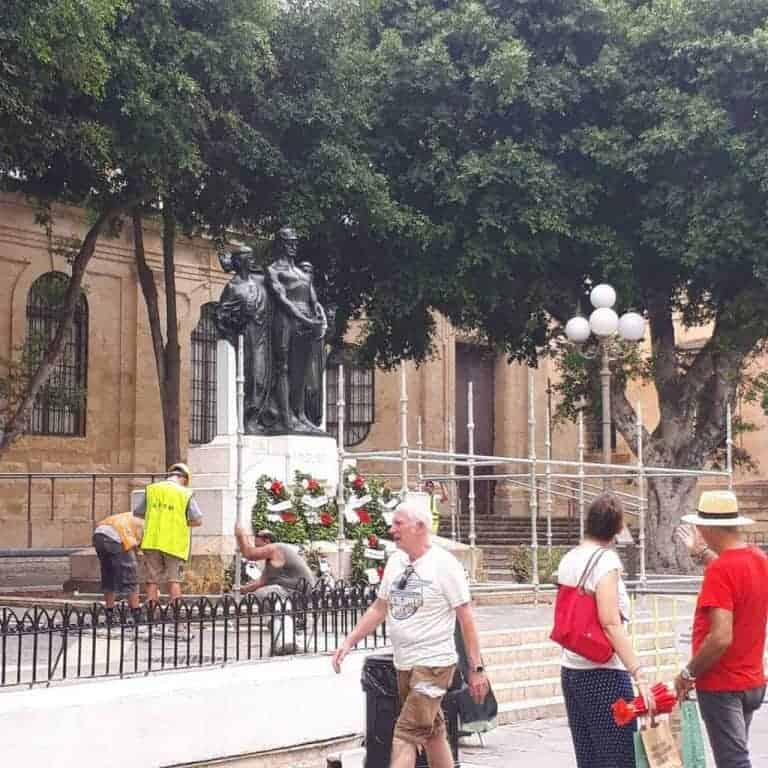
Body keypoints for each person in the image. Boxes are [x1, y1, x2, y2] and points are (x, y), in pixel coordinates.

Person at [332, 504, 489, 768]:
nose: (391, 529)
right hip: (404, 663)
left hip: (434, 664)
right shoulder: (396, 561)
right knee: (432, 732)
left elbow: (466, 618)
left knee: (405, 735)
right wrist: (350, 641)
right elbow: (379, 607)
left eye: (398, 523)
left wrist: (477, 669)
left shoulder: (444, 565)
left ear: (420, 527)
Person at [555, 493, 655, 768]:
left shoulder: (570, 558)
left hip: (572, 669)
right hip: (604, 673)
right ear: (617, 528)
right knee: (620, 758)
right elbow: (610, 622)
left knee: (589, 758)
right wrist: (638, 672)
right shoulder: (606, 562)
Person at [674, 490, 768, 768]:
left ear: (709, 528)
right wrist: (703, 554)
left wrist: (688, 673)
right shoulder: (759, 559)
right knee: (736, 755)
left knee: (733, 762)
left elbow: (720, 637)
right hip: (751, 679)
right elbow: (736, 577)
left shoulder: (721, 570)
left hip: (722, 683)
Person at [133, 462, 202, 604]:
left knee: (152, 578)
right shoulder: (185, 493)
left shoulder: (152, 489)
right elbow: (198, 520)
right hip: (173, 542)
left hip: (152, 541)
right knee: (174, 578)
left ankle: (152, 610)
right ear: (184, 478)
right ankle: (175, 610)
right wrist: (182, 522)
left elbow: (138, 512)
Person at [233, 526, 316, 598]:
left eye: (258, 547)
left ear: (267, 541)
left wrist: (240, 534)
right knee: (256, 596)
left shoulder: (275, 548)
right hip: (296, 591)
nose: (257, 549)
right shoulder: (272, 558)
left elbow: (249, 554)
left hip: (300, 593)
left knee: (262, 594)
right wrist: (242, 589)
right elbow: (261, 582)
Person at [92, 511, 144, 624]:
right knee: (131, 574)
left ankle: (109, 613)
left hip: (98, 535)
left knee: (108, 574)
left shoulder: (130, 515)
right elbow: (139, 546)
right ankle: (136, 612)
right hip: (116, 538)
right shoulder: (145, 523)